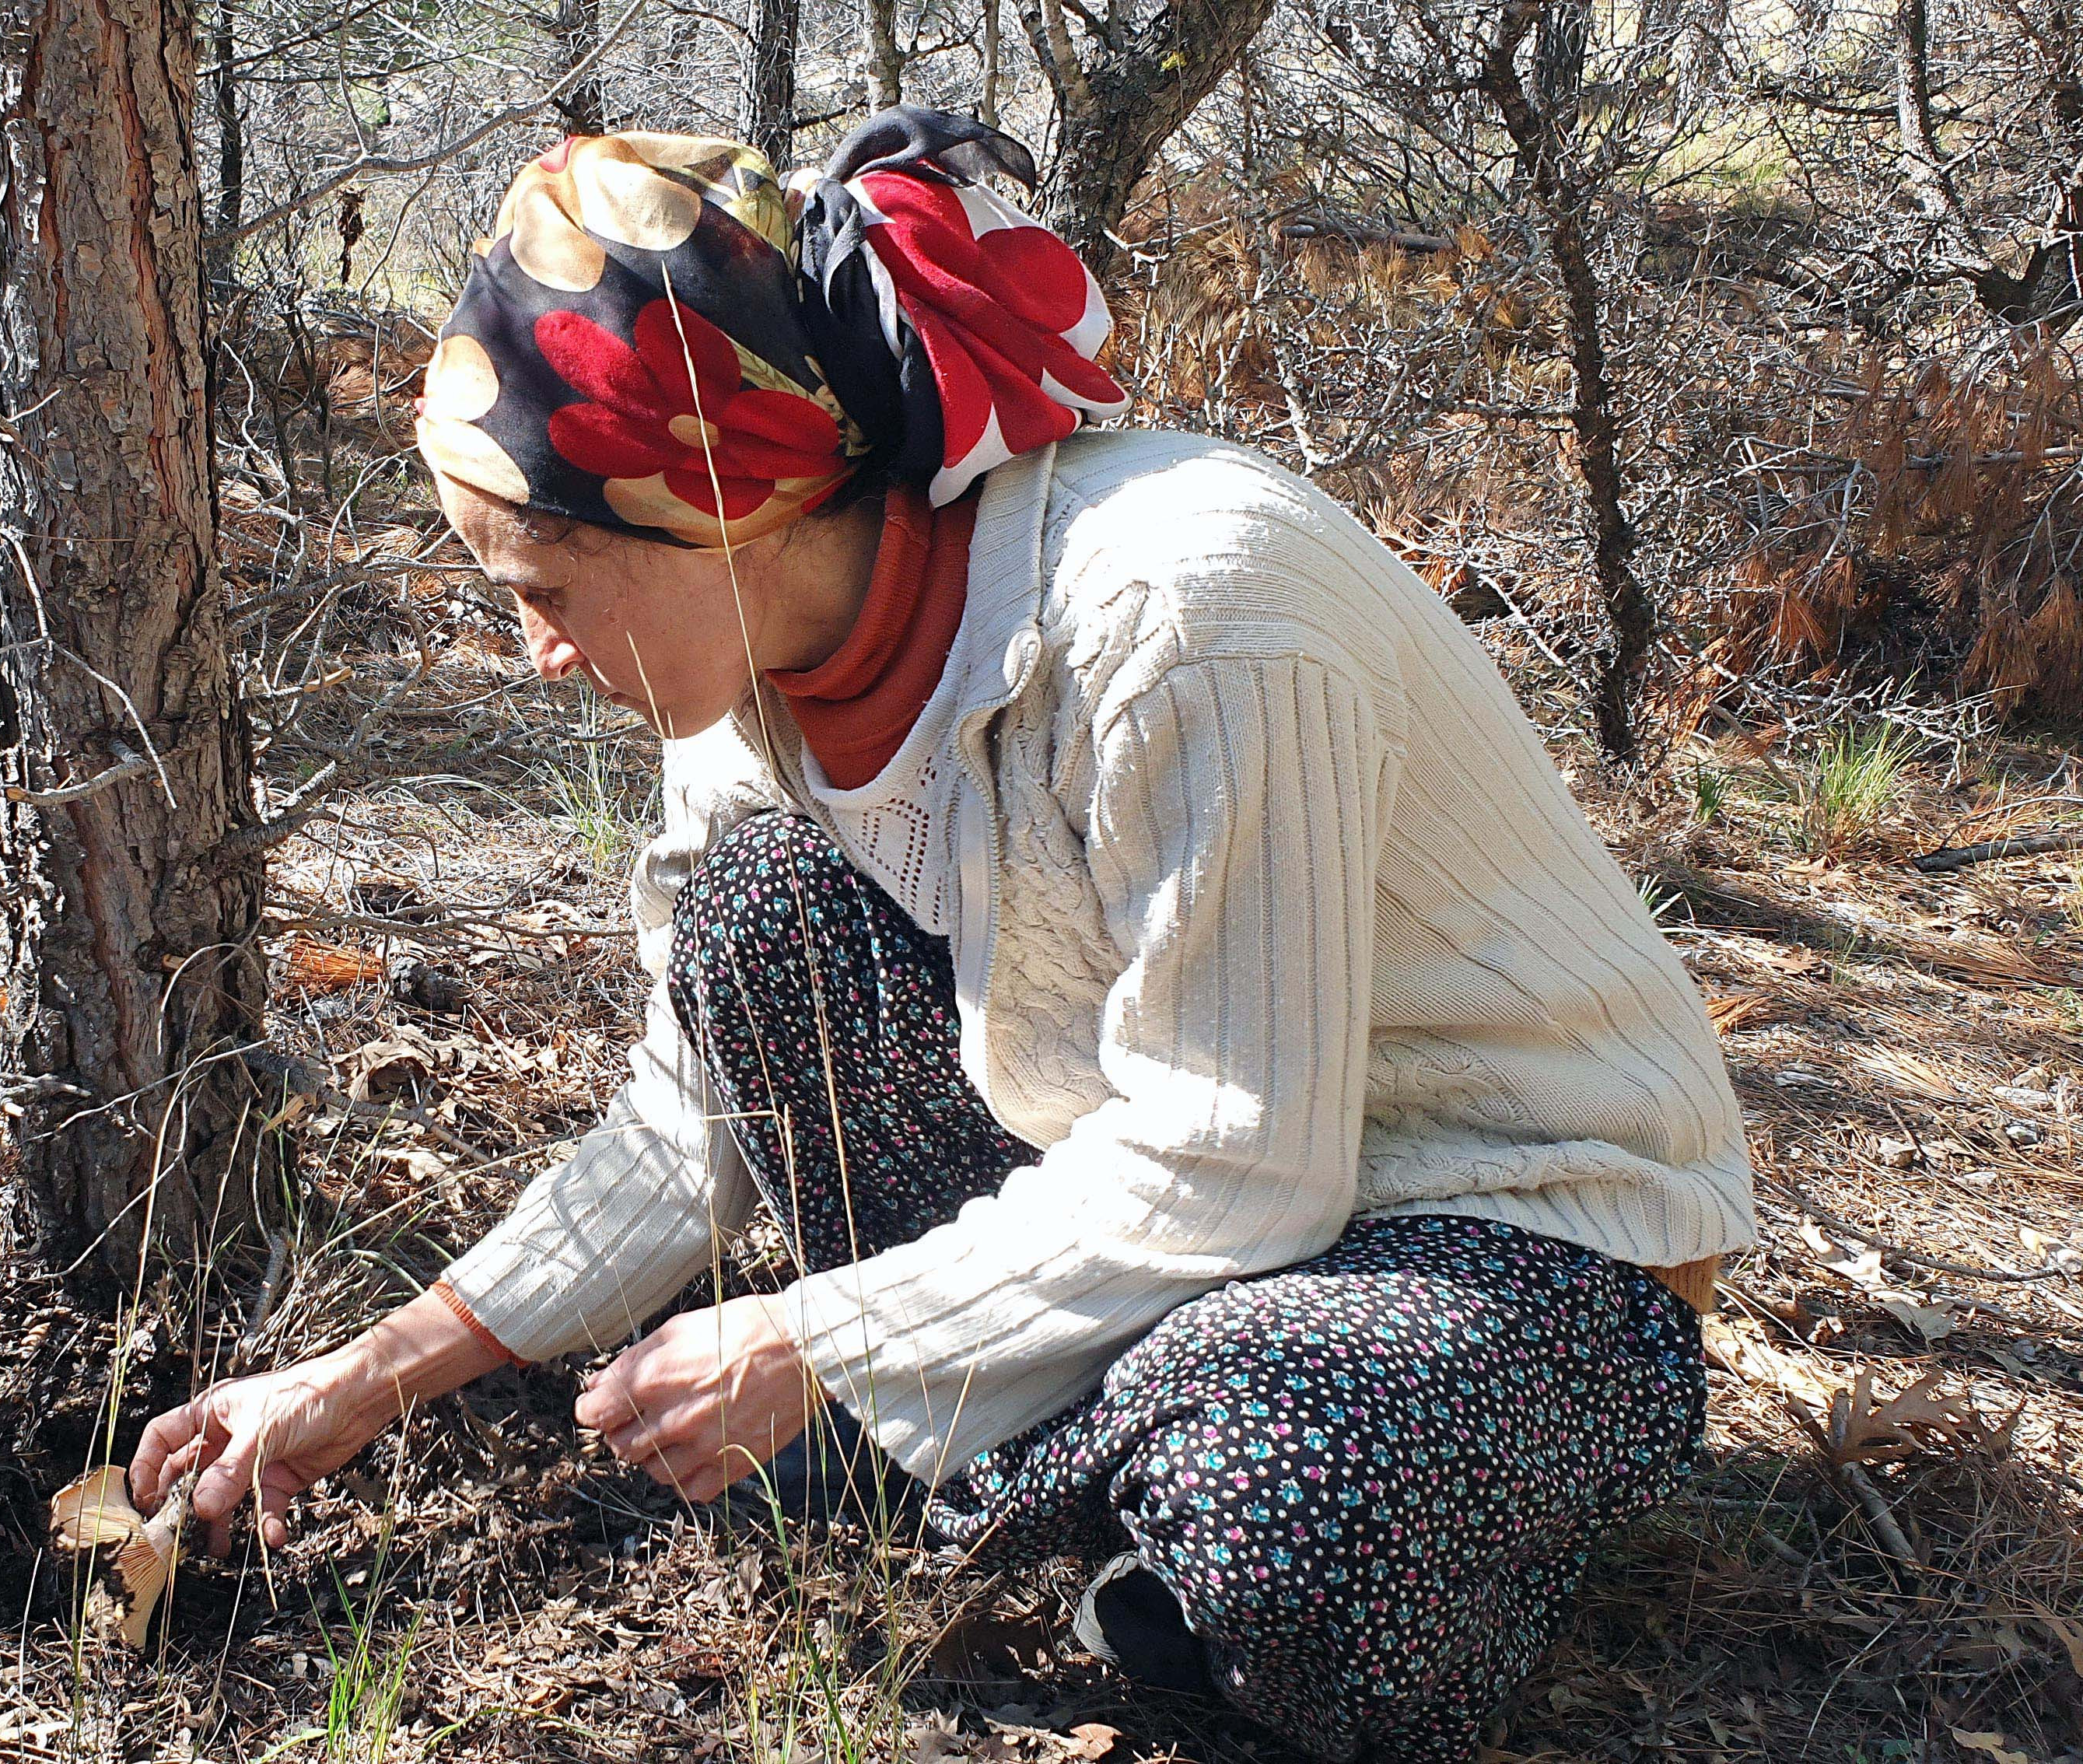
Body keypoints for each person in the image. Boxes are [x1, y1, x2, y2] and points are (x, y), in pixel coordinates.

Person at [129, 110, 1753, 1763]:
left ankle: (1170, 1514)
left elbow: (1248, 1163)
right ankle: (1059, 1480)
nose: (538, 653)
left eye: (547, 586)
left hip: (1515, 1227)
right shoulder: (744, 687)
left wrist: (825, 1337)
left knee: (1276, 1487)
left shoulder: (1187, 615)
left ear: (719, 509)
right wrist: (361, 1379)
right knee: (759, 919)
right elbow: (690, 1128)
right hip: (1195, 1198)